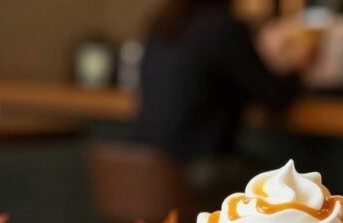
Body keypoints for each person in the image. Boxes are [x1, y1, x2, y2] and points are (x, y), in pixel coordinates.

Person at [131, 0, 312, 202]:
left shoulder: (162, 25)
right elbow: (275, 97)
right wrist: (300, 65)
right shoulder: (224, 28)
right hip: (193, 169)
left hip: (142, 166)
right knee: (288, 181)